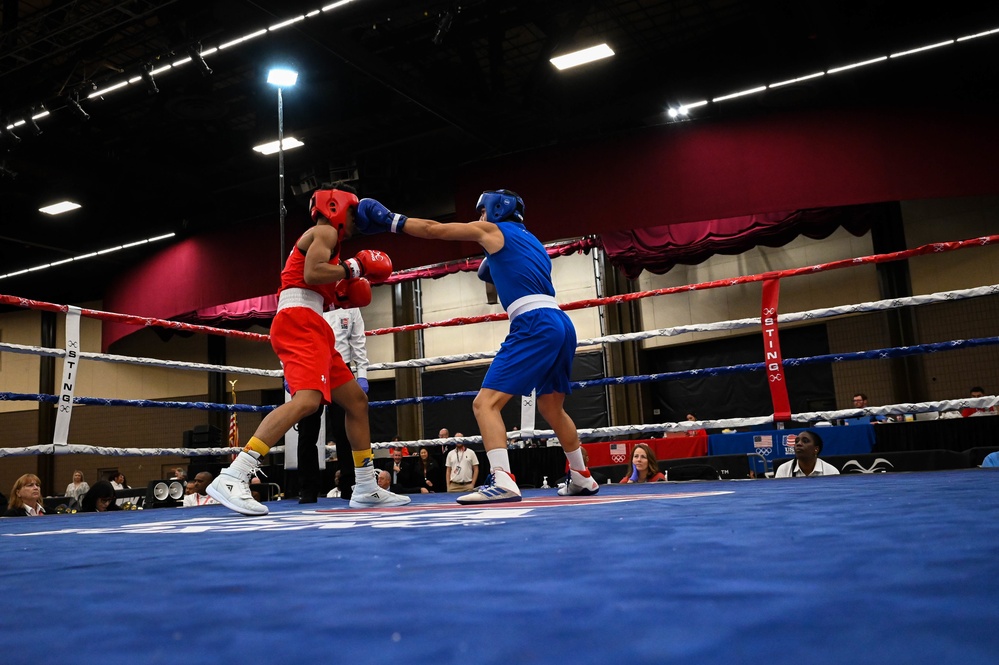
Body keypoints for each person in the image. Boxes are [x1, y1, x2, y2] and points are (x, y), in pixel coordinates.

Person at [354, 189, 601, 503]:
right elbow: (515, 277)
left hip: (534, 321)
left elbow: (435, 230)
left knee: (485, 404)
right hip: (561, 322)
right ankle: (581, 475)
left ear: (496, 210)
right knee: (552, 407)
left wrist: (392, 222)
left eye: (483, 211)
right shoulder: (534, 242)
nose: (480, 218)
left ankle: (503, 479)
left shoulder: (493, 229)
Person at [206, 184, 410, 515]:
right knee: (307, 401)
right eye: (354, 213)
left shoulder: (328, 242)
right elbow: (311, 273)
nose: (356, 221)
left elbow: (318, 283)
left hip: (314, 321)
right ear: (338, 208)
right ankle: (234, 475)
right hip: (299, 320)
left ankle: (366, 486)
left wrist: (344, 292)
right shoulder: (324, 232)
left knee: (356, 402)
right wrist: (355, 268)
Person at [295, 304, 370, 504]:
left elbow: (358, 340)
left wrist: (362, 374)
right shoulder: (309, 300)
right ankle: (307, 488)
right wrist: (288, 371)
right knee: (307, 430)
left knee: (345, 430)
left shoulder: (350, 304)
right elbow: (294, 337)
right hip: (310, 366)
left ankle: (350, 485)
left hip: (341, 367)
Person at [774, 430, 841, 477]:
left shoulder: (832, 472)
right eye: (796, 441)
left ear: (816, 449)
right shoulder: (783, 470)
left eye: (805, 441)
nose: (799, 444)